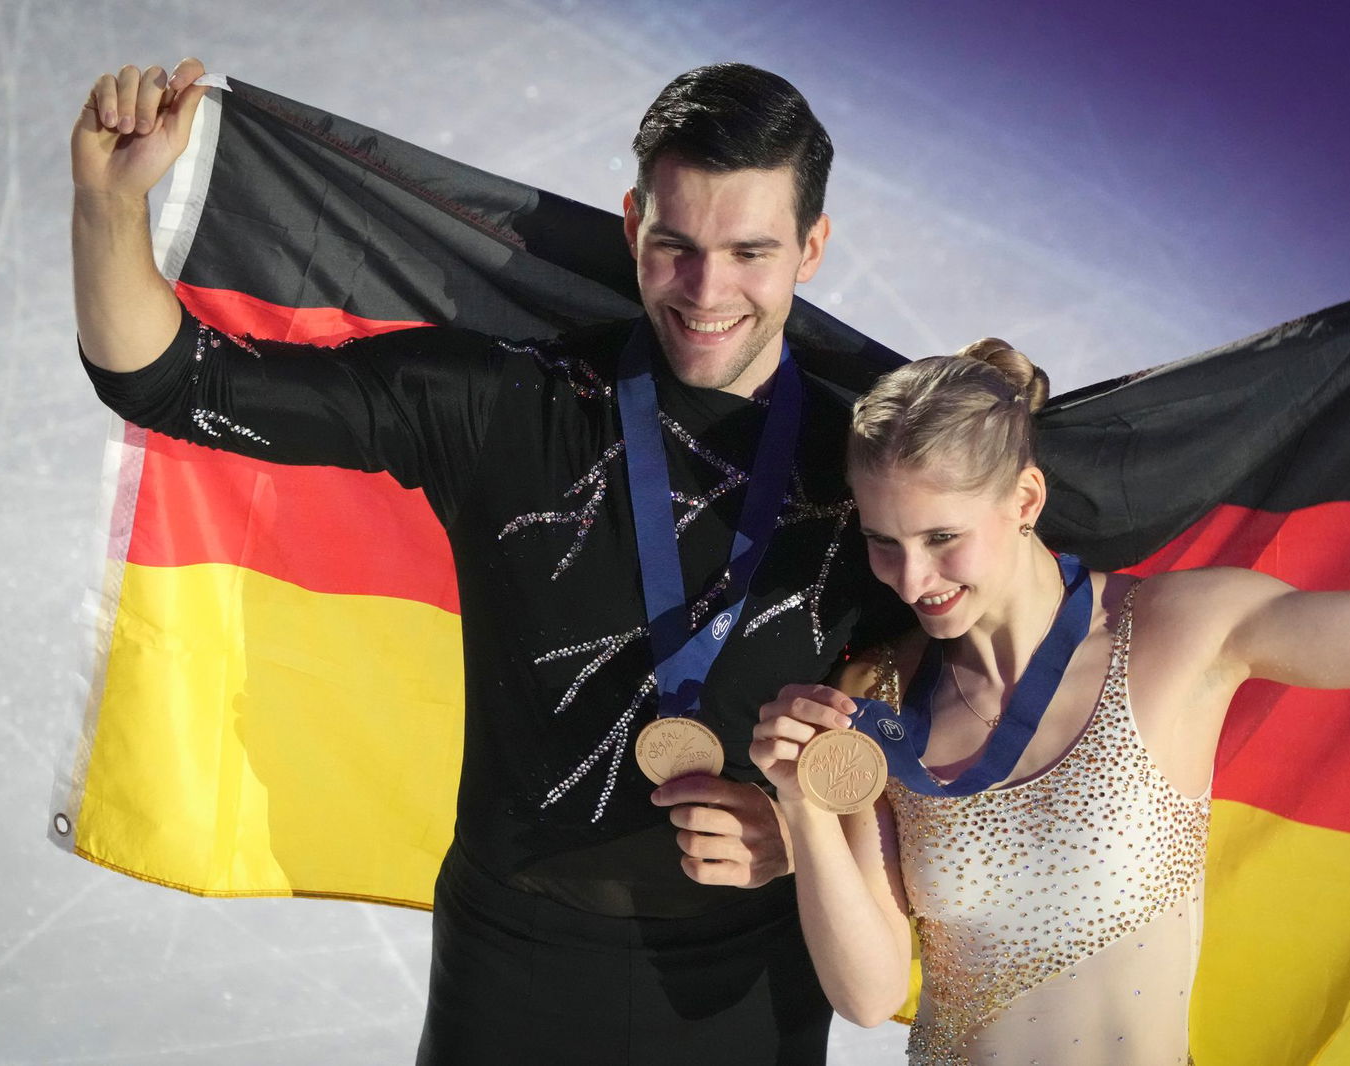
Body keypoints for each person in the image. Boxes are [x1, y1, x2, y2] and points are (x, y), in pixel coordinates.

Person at [73, 57, 901, 1065]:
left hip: (750, 989)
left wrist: (802, 838)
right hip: (513, 978)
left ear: (812, 248)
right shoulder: (505, 406)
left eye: (750, 251)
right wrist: (109, 204)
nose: (707, 290)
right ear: (632, 225)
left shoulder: (878, 471)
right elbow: (170, 383)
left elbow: (940, 699)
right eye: (676, 245)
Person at [750, 250, 1350, 1064]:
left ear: (1025, 500)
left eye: (942, 538)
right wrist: (802, 805)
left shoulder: (1180, 630)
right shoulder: (879, 694)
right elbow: (868, 994)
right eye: (883, 543)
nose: (913, 577)